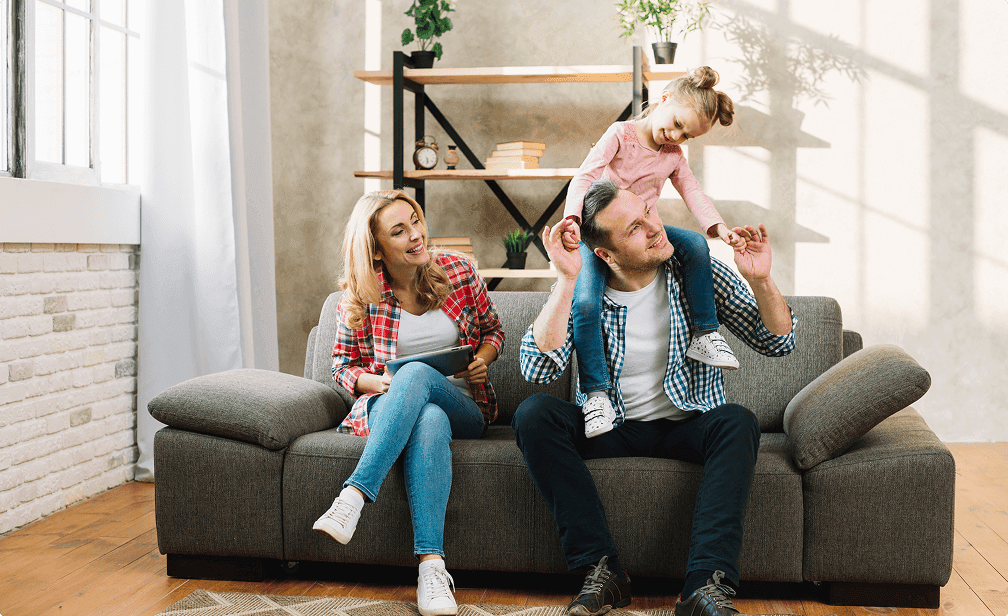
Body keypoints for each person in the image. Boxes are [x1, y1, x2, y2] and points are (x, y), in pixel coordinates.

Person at [514, 179, 796, 616]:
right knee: (534, 414)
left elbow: (776, 342)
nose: (654, 227)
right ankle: (603, 572)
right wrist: (566, 281)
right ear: (605, 254)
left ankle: (704, 588)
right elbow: (537, 368)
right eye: (634, 228)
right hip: (609, 427)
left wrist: (761, 280)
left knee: (736, 421)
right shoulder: (583, 289)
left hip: (687, 423)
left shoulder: (695, 271)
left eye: (648, 211)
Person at [314, 189, 505, 616]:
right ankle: (431, 570)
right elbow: (341, 367)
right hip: (392, 403)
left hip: (464, 407)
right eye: (399, 231)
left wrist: (481, 360)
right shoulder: (363, 294)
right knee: (427, 414)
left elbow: (494, 331)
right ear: (377, 250)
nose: (416, 235)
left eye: (415, 221)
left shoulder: (458, 270)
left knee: (419, 375)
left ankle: (353, 497)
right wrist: (374, 382)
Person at [561, 66, 746, 440]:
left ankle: (704, 334)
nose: (675, 136)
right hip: (603, 234)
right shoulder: (620, 134)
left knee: (694, 243)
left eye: (686, 135)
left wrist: (720, 228)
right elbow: (585, 175)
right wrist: (573, 219)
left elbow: (693, 192)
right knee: (584, 304)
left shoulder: (674, 155)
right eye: (677, 123)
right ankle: (597, 395)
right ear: (663, 99)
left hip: (644, 231)